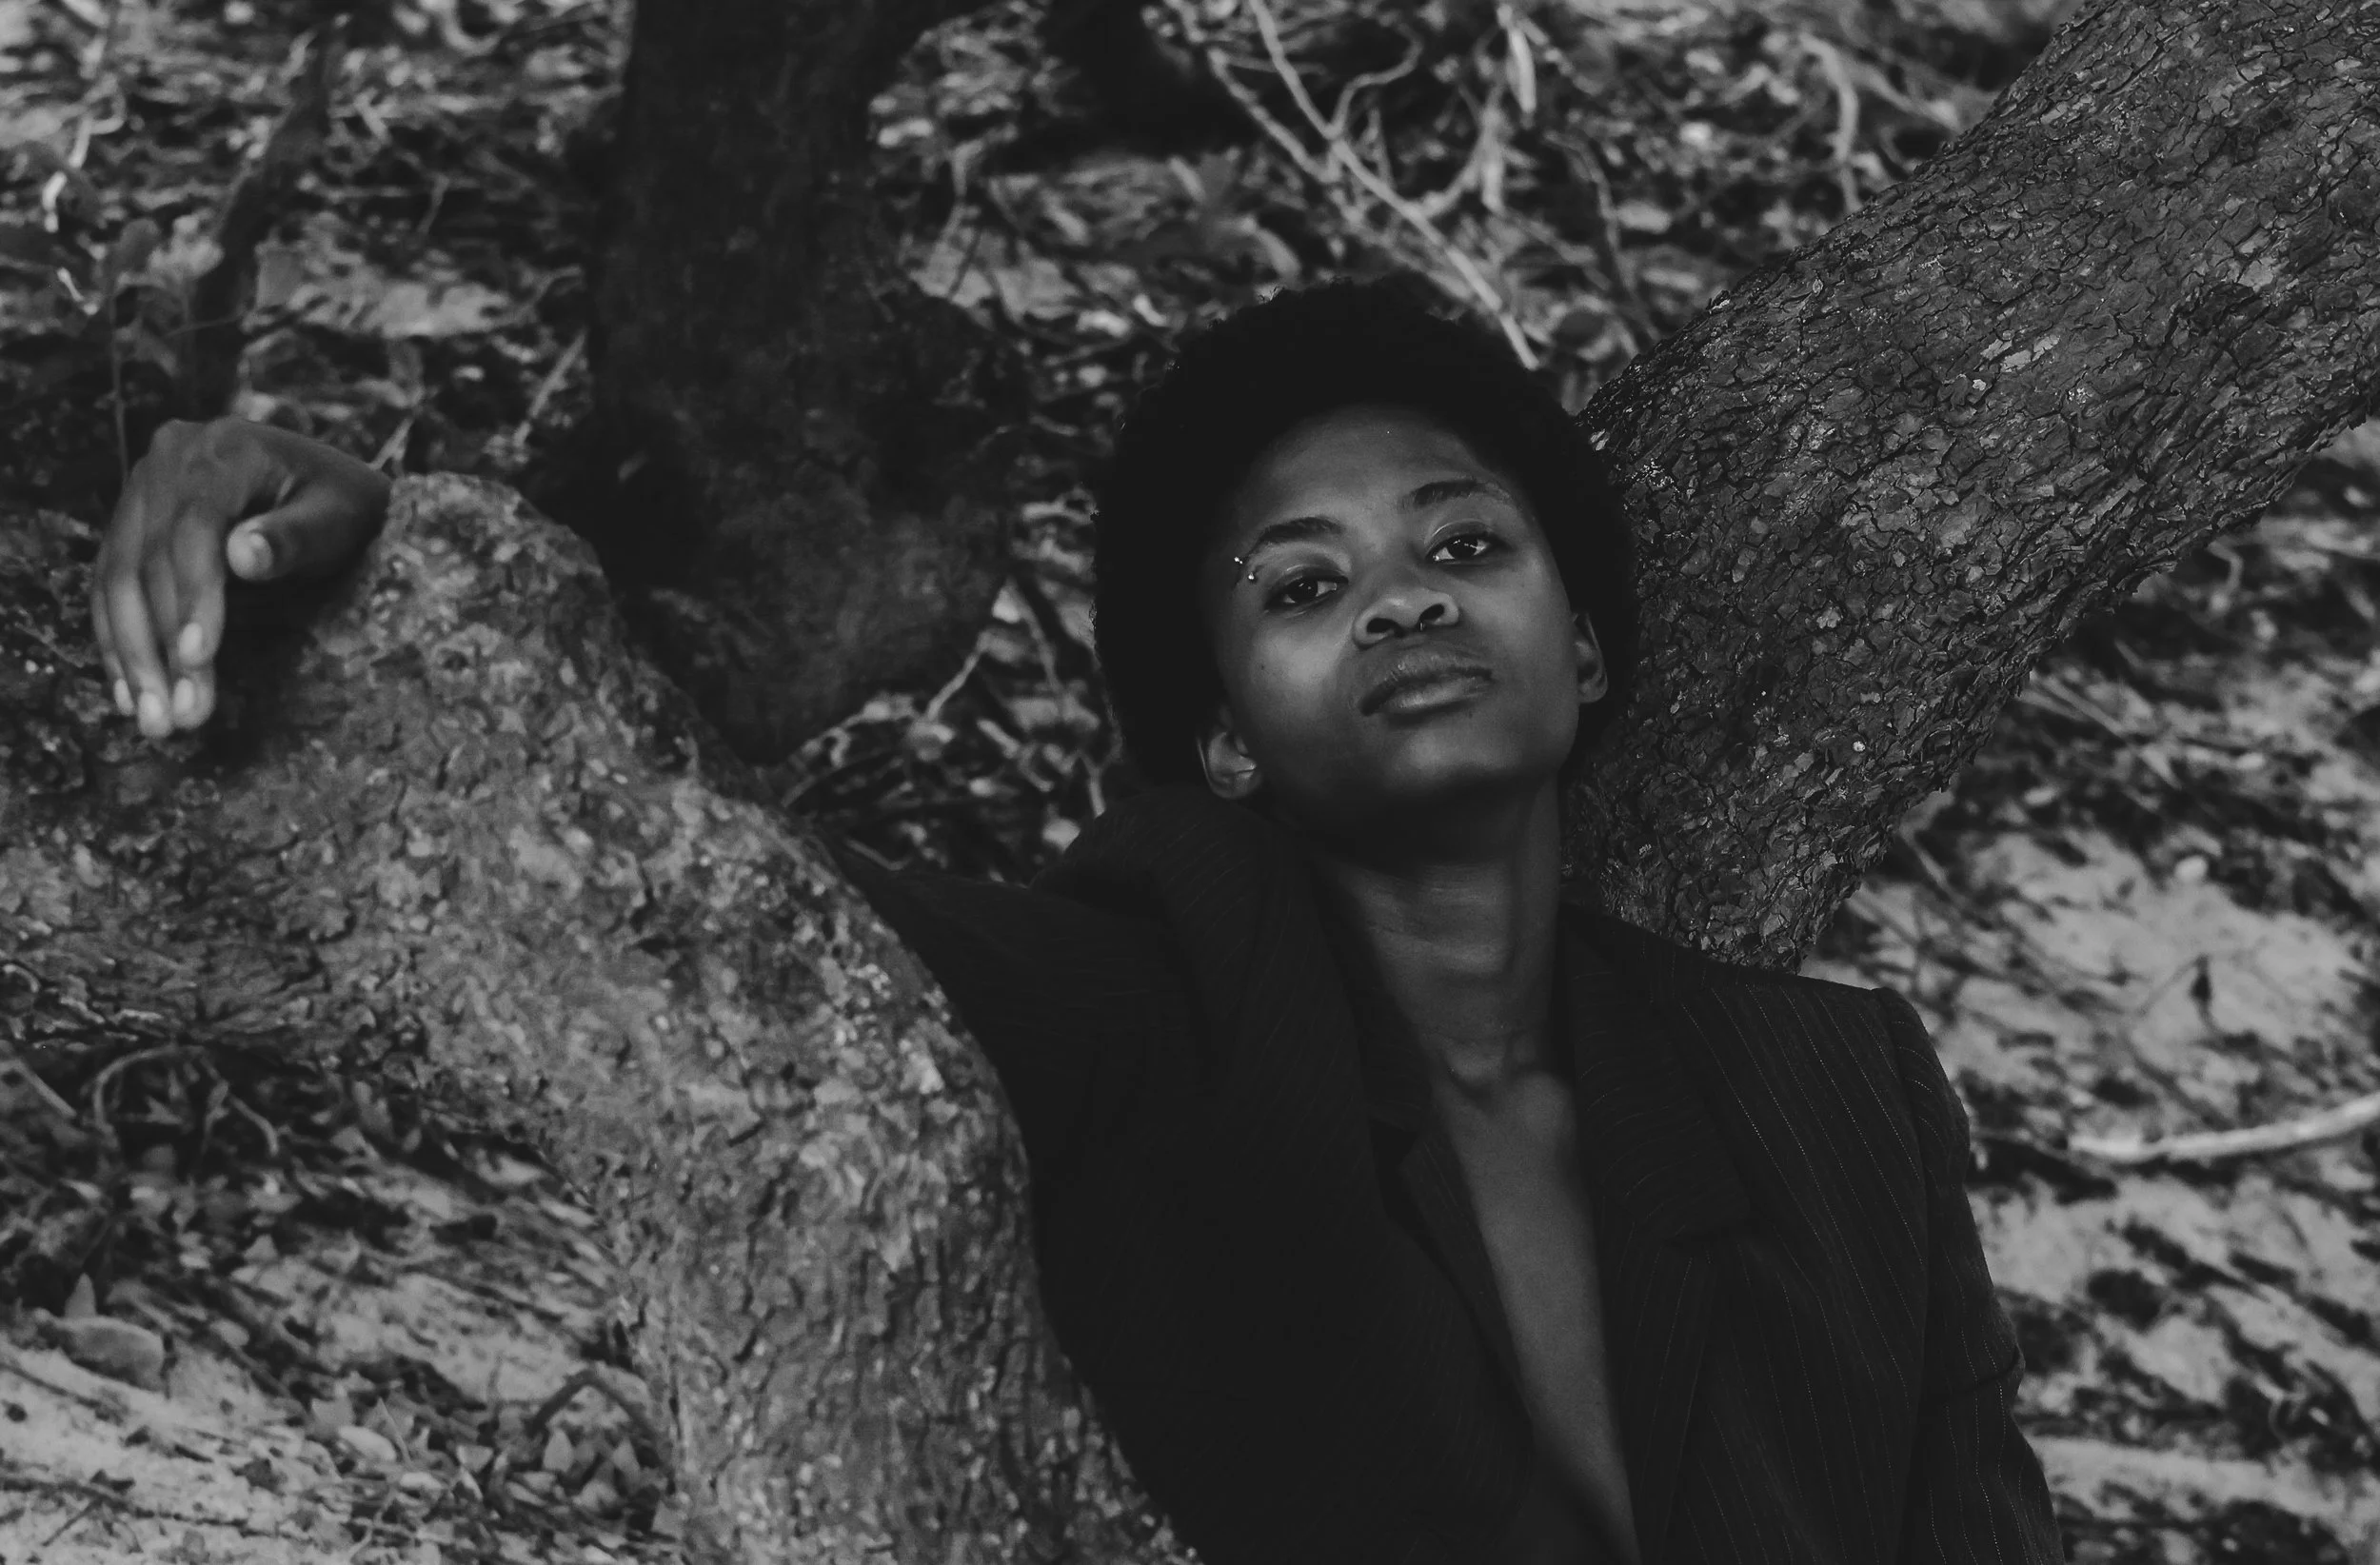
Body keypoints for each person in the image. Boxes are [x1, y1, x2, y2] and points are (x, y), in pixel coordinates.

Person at [90, 277, 2064, 1565]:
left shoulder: (1834, 1097)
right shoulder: (1137, 990)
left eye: (1461, 544)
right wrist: (377, 574)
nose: (1398, 599)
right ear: (1218, 741)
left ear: (1591, 649)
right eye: (1301, 588)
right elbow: (688, 898)